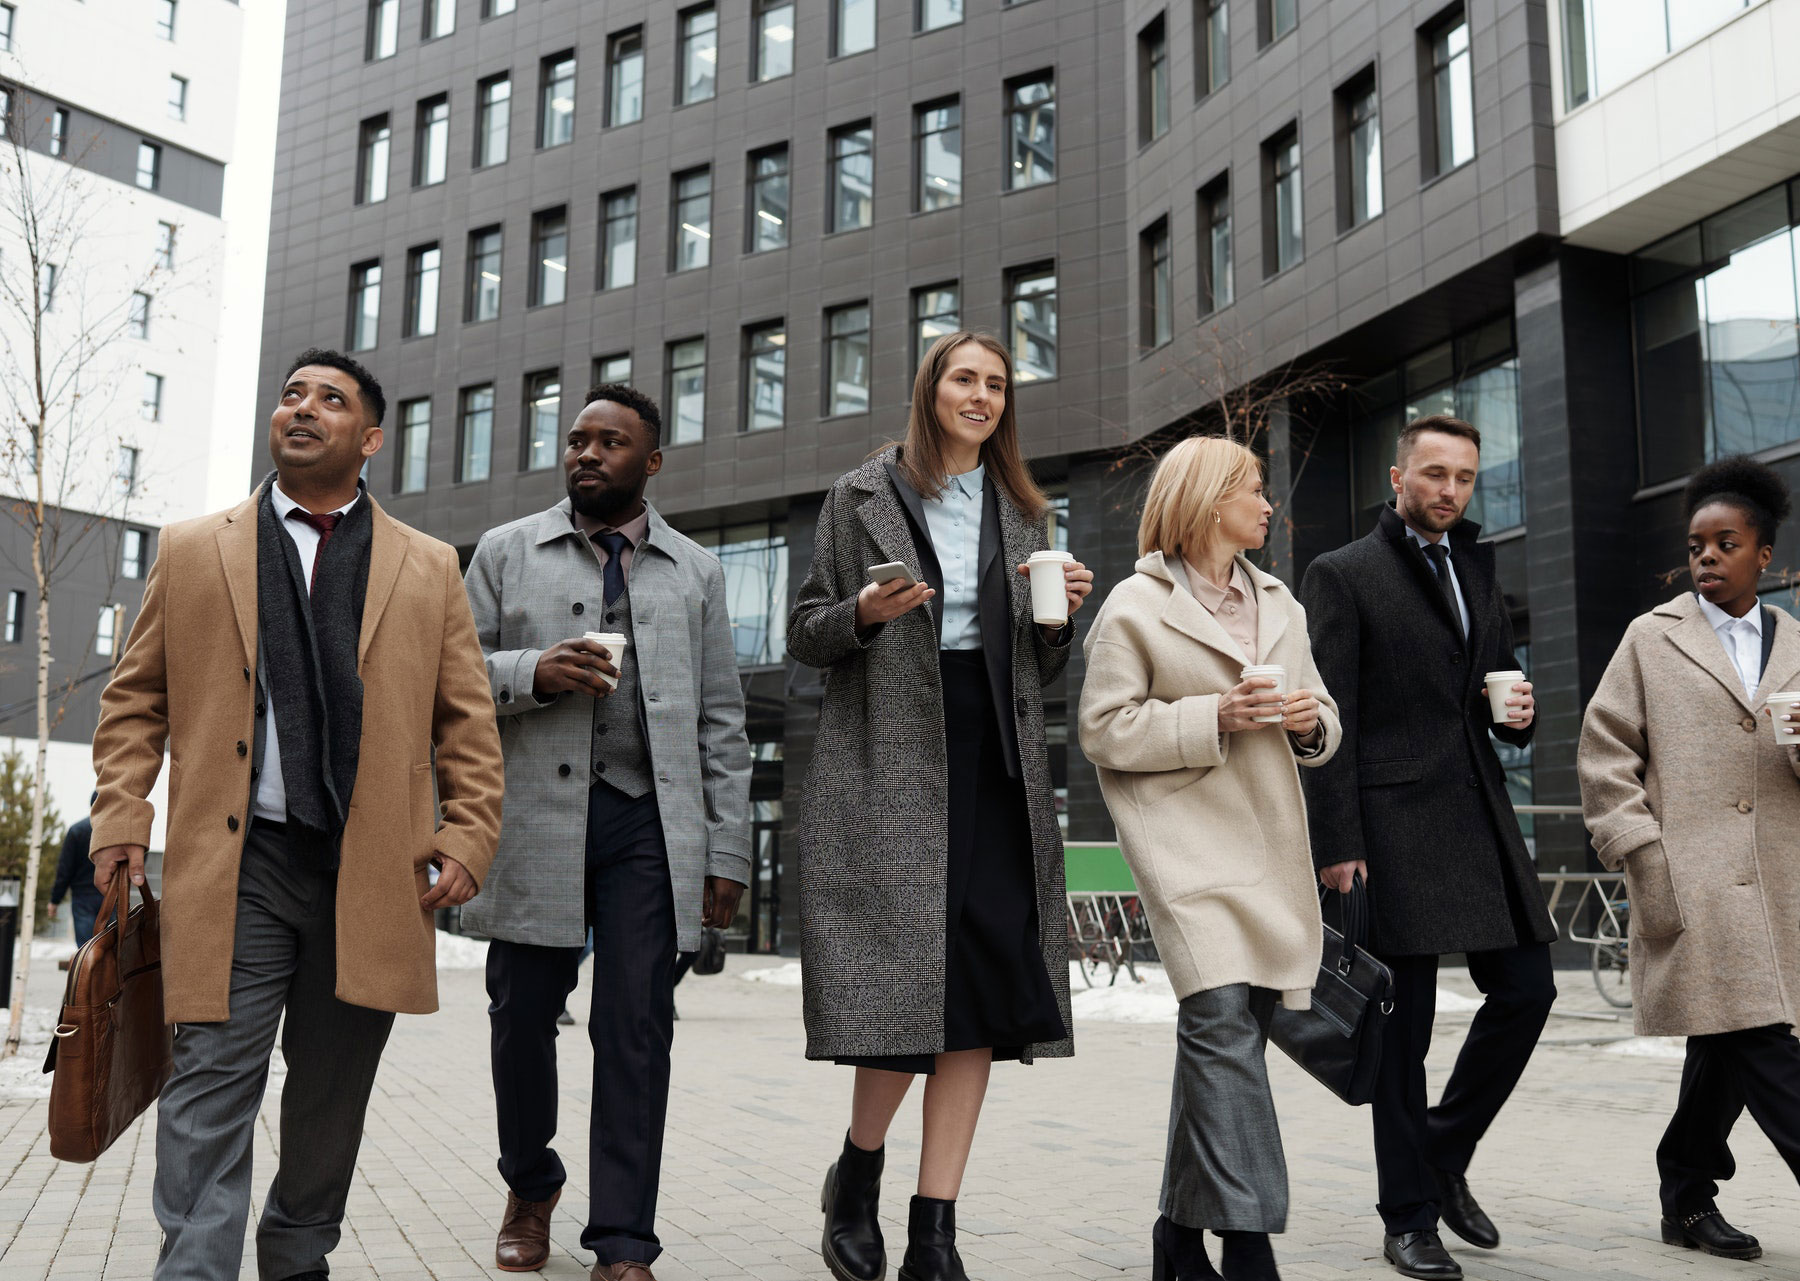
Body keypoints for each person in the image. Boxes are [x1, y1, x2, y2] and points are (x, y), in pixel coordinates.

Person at [88, 349, 504, 1281]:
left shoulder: (429, 566)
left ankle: (296, 1255)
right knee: (209, 1083)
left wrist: (470, 830)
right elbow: (134, 697)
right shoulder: (195, 548)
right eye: (291, 395)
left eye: (331, 399)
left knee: (329, 1098)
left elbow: (466, 720)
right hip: (236, 867)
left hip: (372, 871)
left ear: (371, 437)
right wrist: (122, 813)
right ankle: (194, 1269)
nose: (303, 409)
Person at [789, 331, 1092, 1281]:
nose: (983, 395)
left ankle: (935, 1229)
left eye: (998, 384)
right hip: (889, 760)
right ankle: (860, 1171)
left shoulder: (1021, 511)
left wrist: (1060, 620)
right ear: (931, 388)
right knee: (903, 988)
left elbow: (1038, 672)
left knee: (985, 997)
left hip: (996, 763)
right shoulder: (862, 494)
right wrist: (865, 616)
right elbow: (805, 633)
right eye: (966, 378)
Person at [1578, 455, 1800, 1278]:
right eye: (1696, 543)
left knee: (1728, 1043)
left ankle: (1685, 1191)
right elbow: (1603, 753)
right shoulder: (1651, 640)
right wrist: (1640, 849)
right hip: (1687, 878)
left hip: (1773, 885)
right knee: (1764, 1040)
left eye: (1725, 542)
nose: (1706, 555)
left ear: (1763, 553)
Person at [464, 383, 752, 1281]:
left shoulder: (696, 571)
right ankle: (531, 1179)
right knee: (519, 1021)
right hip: (533, 820)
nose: (587, 453)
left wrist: (728, 849)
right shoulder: (506, 551)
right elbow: (448, 677)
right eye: (578, 439)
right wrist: (531, 670)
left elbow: (722, 721)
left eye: (612, 442)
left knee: (636, 1030)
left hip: (647, 824)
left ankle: (624, 1241)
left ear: (651, 462)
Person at [1297, 414, 1557, 1281]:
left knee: (1528, 987)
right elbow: (1332, 717)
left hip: (1478, 815)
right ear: (1398, 475)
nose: (1450, 490)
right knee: (1400, 1036)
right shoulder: (1343, 573)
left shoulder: (1475, 567)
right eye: (1435, 473)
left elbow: (1491, 684)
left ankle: (1442, 1150)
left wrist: (1516, 716)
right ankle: (1407, 1214)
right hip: (1391, 829)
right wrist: (1337, 841)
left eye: (1466, 478)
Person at [1079, 436, 1341, 1281]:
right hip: (1182, 839)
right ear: (1207, 498)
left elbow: (1324, 721)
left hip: (1267, 842)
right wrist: (1214, 716)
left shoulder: (1282, 605)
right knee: (1222, 1019)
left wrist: (1307, 722)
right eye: (1253, 490)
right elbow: (1103, 728)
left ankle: (1177, 1231)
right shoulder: (1132, 605)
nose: (1268, 506)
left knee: (1232, 1035)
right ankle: (1249, 1243)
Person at [47, 798, 103, 955]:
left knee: (86, 950)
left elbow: (65, 870)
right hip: (110, 894)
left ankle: (87, 979)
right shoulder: (117, 832)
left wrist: (55, 900)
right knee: (110, 947)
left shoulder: (77, 830)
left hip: (82, 898)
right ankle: (108, 979)